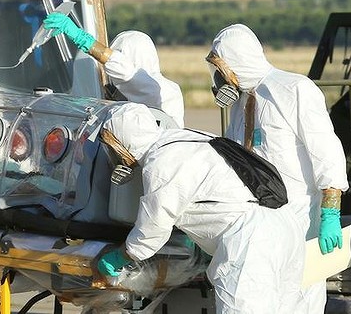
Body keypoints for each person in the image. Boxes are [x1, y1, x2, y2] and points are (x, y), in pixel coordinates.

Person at [95, 102, 304, 313]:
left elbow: (153, 230)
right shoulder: (187, 138)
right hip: (286, 228)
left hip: (251, 241)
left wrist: (121, 256)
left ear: (124, 141)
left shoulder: (161, 162)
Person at [207, 23, 349, 313]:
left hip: (299, 217)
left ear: (239, 61)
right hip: (258, 223)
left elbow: (327, 151)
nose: (220, 79)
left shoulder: (294, 89)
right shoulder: (240, 105)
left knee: (300, 300)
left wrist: (330, 211)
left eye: (222, 68)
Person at [43, 13, 185, 128]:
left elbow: (125, 72)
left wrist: (84, 40)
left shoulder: (162, 89)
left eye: (120, 55)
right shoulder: (124, 93)